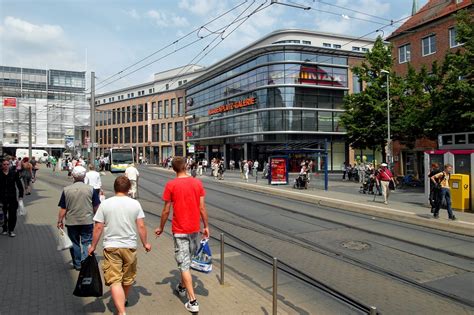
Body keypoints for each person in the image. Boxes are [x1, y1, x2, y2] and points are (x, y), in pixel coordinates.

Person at [88, 176, 151, 315]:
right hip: (130, 246)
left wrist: (92, 246)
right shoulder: (135, 204)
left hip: (111, 247)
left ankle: (121, 312)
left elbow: (98, 227)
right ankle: (124, 302)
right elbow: (141, 226)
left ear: (115, 188)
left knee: (115, 280)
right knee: (128, 278)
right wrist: (145, 243)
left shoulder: (105, 204)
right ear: (129, 189)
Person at [155, 157, 209, 313]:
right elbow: (202, 208)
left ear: (173, 169)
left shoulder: (171, 185)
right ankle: (181, 286)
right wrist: (206, 226)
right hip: (194, 229)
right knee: (187, 260)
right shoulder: (197, 183)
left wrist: (160, 227)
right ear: (186, 166)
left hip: (180, 230)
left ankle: (192, 301)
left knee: (184, 264)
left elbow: (166, 210)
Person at [57, 166, 100, 270]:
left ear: (73, 175)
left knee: (74, 243)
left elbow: (63, 208)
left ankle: (77, 264)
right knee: (87, 242)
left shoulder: (66, 190)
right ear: (84, 175)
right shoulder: (91, 189)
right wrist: (98, 219)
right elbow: (96, 206)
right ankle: (85, 263)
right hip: (87, 221)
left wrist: (59, 221)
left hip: (72, 222)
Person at [0, 157, 24, 237]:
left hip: (12, 198)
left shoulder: (13, 173)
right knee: (3, 214)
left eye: (7, 164)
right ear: (2, 165)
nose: (6, 166)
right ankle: (4, 228)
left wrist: (20, 196)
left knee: (12, 215)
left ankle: (11, 230)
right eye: (4, 164)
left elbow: (19, 185)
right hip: (2, 198)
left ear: (10, 165)